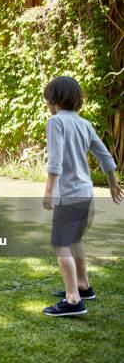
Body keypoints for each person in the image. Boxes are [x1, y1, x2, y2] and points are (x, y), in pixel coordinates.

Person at [42, 76, 123, 317]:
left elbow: (55, 162)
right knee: (75, 239)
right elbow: (107, 157)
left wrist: (49, 191)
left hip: (68, 196)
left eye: (47, 97)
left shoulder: (55, 123)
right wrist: (112, 184)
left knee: (61, 244)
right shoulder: (85, 124)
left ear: (54, 99)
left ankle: (73, 299)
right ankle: (83, 286)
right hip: (86, 195)